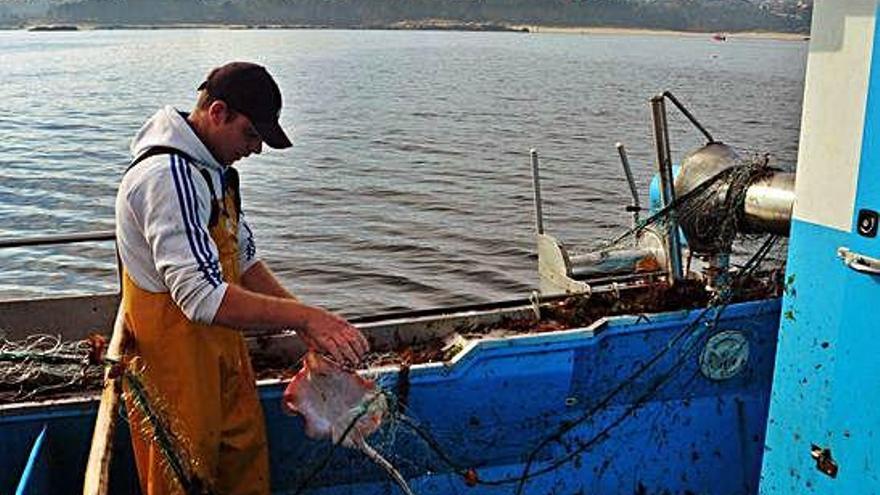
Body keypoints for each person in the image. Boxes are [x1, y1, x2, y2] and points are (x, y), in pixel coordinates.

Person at [114, 61, 369, 495]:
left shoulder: (215, 172)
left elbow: (245, 262)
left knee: (244, 461)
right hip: (174, 368)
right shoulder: (167, 177)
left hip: (224, 356)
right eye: (251, 134)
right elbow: (201, 299)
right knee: (184, 479)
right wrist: (307, 318)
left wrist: (309, 327)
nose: (256, 150)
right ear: (218, 113)